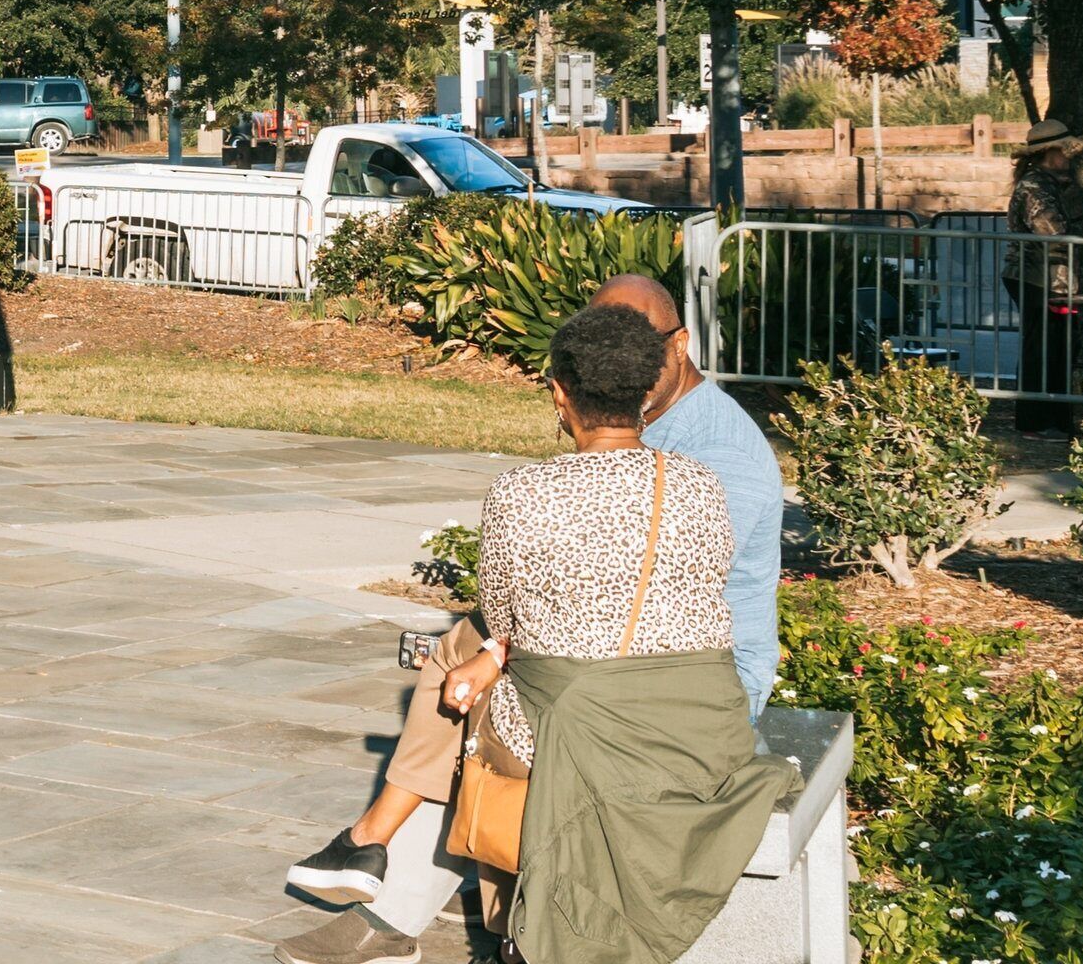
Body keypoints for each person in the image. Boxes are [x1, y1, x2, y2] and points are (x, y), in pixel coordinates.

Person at [279, 283, 784, 962]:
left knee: (469, 681)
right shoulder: (692, 477)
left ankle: (410, 885)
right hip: (675, 687)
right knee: (474, 663)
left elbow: (645, 598)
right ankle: (392, 885)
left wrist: (495, 651)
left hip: (671, 688)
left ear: (562, 393)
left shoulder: (722, 457)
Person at [1004, 118, 1083, 431]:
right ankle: (1034, 422)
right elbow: (1053, 232)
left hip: (1049, 277)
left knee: (1058, 346)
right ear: (1049, 153)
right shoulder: (1035, 185)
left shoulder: (1046, 184)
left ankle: (1055, 420)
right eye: (1063, 151)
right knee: (1042, 347)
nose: (1068, 157)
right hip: (1035, 276)